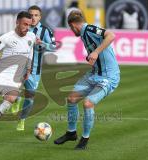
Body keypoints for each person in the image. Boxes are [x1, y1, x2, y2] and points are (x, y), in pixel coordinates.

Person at [54, 11, 120, 150]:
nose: (71, 31)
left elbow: (111, 35)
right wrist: (92, 56)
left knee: (88, 103)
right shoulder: (84, 34)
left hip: (108, 77)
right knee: (72, 99)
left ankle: (84, 138)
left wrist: (96, 52)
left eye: (71, 29)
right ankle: (71, 133)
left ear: (72, 25)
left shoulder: (89, 29)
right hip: (94, 74)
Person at [12, 5, 56, 131]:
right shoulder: (22, 28)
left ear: (40, 17)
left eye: (36, 15)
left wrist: (41, 43)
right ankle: (16, 100)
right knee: (12, 89)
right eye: (31, 15)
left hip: (35, 70)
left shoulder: (45, 31)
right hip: (19, 66)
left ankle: (22, 119)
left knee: (30, 100)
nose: (33, 18)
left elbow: (54, 46)